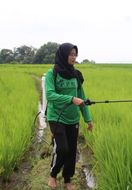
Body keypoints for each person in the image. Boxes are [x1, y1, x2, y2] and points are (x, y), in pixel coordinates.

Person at [45, 43, 93, 190]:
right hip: (56, 117)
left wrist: (88, 119)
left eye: (75, 54)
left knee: (72, 150)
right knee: (63, 149)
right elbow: (50, 95)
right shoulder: (51, 73)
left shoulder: (76, 75)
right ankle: (53, 175)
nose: (73, 57)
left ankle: (67, 180)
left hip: (73, 119)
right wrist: (71, 99)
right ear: (63, 55)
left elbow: (82, 98)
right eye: (70, 54)